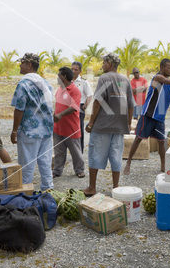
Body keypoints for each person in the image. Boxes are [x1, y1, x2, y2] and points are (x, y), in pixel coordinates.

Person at [83, 54, 134, 196]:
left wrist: (91, 122)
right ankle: (116, 188)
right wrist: (128, 123)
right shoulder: (125, 80)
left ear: (110, 64)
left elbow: (98, 101)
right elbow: (131, 105)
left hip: (102, 126)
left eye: (104, 62)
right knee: (116, 156)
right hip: (119, 127)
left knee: (95, 154)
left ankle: (92, 187)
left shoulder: (104, 78)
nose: (102, 65)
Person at [10, 53, 54, 191]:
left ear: (29, 65)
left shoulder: (23, 84)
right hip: (46, 130)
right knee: (45, 163)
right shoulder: (46, 84)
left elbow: (19, 109)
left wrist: (14, 130)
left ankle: (25, 194)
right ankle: (48, 191)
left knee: (27, 165)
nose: (20, 65)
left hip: (30, 131)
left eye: (22, 62)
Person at [52, 67, 85, 179]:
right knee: (58, 151)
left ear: (64, 77)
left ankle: (79, 170)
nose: (57, 78)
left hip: (71, 128)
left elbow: (74, 107)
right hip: (58, 128)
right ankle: (57, 170)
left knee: (75, 151)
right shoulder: (60, 89)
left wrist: (60, 115)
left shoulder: (74, 90)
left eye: (58, 75)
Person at [72, 61, 93, 150]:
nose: (73, 71)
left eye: (76, 69)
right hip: (68, 108)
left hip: (79, 107)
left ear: (80, 71)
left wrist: (85, 106)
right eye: (72, 69)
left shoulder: (84, 82)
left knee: (78, 129)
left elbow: (90, 95)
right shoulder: (68, 81)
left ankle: (79, 150)